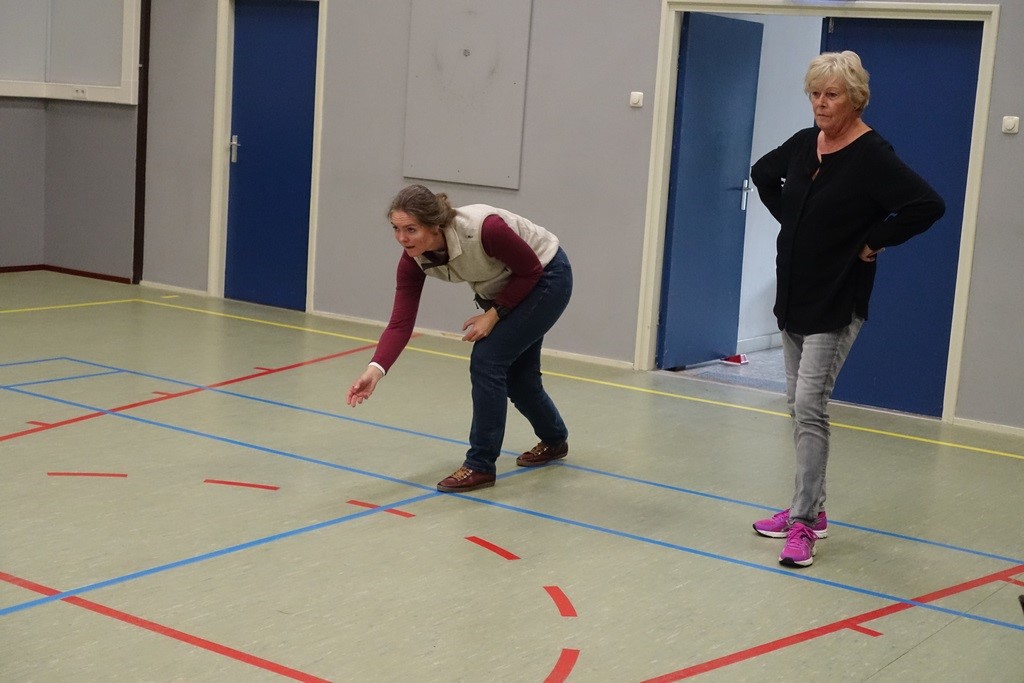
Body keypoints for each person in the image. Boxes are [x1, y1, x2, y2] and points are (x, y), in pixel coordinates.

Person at [749, 51, 945, 567]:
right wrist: (795, 222)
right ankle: (811, 509)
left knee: (810, 405)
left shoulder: (872, 154)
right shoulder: (804, 143)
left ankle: (804, 522)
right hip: (795, 294)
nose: (820, 103)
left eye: (831, 95)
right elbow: (762, 173)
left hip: (838, 297)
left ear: (855, 100)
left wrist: (872, 240)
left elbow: (927, 205)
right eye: (815, 93)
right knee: (796, 404)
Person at [346, 185, 573, 493]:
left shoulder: (485, 229)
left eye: (411, 229)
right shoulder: (412, 259)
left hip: (546, 278)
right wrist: (375, 370)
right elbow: (400, 323)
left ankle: (480, 465)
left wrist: (494, 314)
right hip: (508, 287)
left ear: (435, 225)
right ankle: (554, 439)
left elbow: (531, 271)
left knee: (488, 360)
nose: (402, 238)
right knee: (520, 380)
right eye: (396, 229)